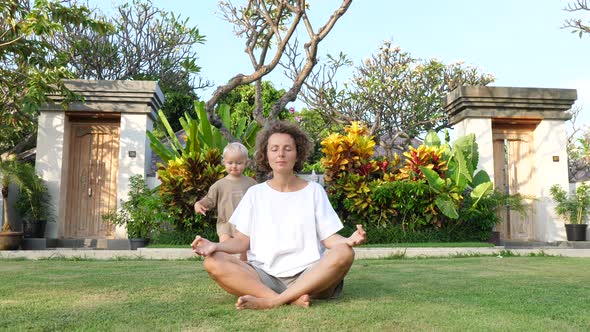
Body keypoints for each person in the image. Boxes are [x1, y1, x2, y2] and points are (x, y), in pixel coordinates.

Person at [191, 121, 366, 310]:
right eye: (274, 149)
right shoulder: (255, 193)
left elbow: (329, 238)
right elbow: (241, 241)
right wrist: (214, 246)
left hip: (310, 275)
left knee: (344, 252)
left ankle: (273, 301)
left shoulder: (314, 191)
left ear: (297, 153)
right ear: (266, 154)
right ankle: (289, 298)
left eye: (287, 148)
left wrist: (349, 240)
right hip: (264, 276)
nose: (281, 154)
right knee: (213, 261)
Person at [194, 142, 257, 261]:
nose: (234, 166)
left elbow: (260, 201)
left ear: (246, 163)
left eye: (239, 163)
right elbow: (209, 199)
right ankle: (226, 272)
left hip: (245, 227)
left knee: (245, 254)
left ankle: (244, 273)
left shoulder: (251, 184)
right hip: (225, 225)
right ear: (224, 162)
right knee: (224, 252)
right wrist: (199, 204)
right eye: (230, 162)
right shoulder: (219, 185)